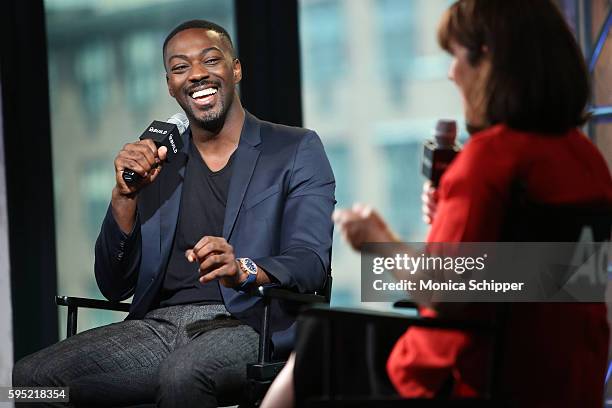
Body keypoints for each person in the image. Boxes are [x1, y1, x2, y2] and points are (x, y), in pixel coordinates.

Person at [261, 0, 612, 407]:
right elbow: (531, 279)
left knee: (316, 338)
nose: (451, 72)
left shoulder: (489, 160)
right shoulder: (586, 159)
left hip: (471, 382)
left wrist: (379, 240)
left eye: (457, 56)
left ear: (489, 61)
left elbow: (444, 290)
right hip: (568, 382)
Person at [13, 19, 335, 407]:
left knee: (182, 375)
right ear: (170, 85)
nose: (196, 74)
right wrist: (125, 196)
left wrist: (243, 269)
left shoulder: (294, 148)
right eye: (181, 67)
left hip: (249, 322)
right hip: (158, 328)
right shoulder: (159, 160)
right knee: (30, 378)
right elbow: (114, 285)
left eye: (210, 60)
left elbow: (310, 261)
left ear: (235, 69)